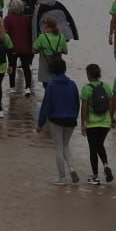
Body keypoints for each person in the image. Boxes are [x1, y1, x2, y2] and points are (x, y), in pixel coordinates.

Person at [35, 55, 81, 184]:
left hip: (56, 119)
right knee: (66, 144)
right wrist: (75, 116)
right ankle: (71, 168)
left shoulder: (51, 86)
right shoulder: (72, 84)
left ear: (52, 71)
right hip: (71, 119)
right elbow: (77, 102)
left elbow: (46, 106)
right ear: (65, 69)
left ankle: (62, 177)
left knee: (59, 148)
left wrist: (40, 123)